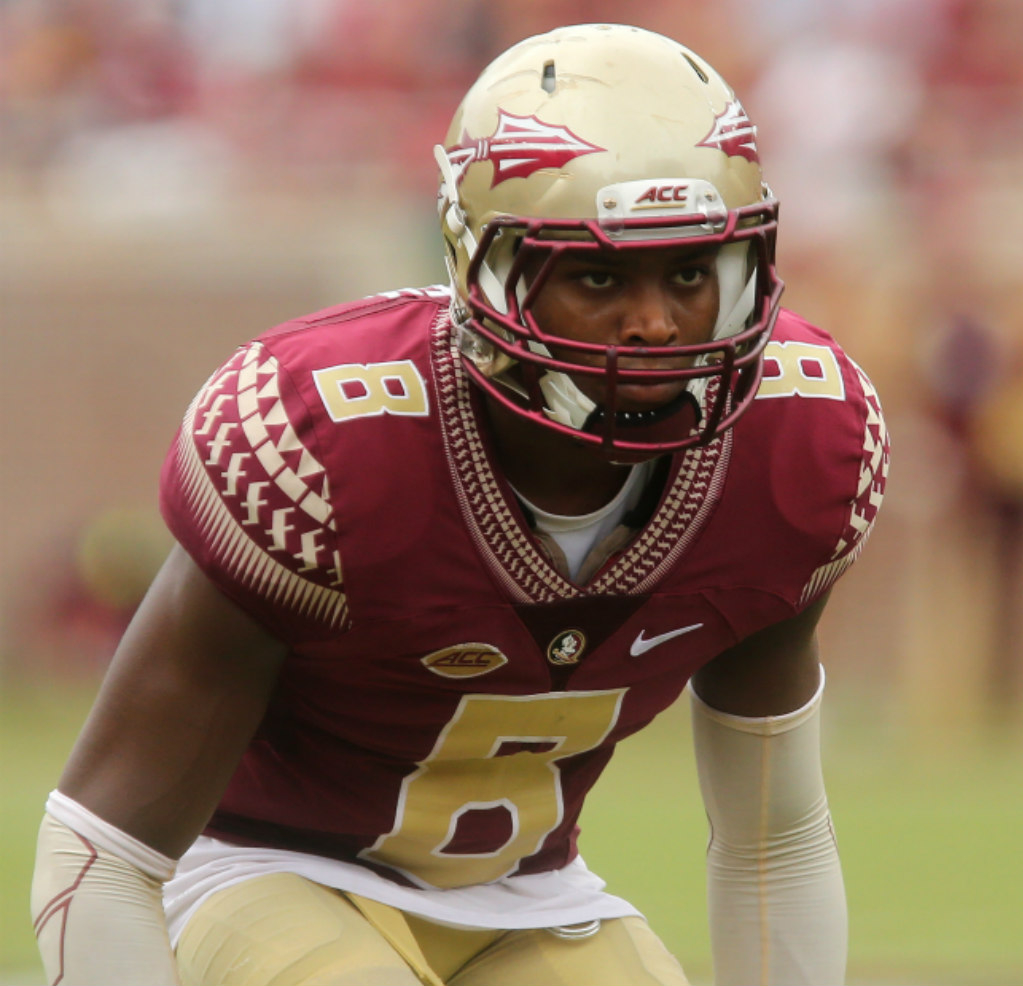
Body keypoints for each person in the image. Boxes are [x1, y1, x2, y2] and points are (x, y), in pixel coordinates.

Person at [31, 23, 889, 986]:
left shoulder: (794, 445)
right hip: (260, 869)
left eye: (690, 272)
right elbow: (101, 849)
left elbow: (775, 841)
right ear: (485, 267)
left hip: (533, 897)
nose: (655, 323)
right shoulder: (323, 445)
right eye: (599, 276)